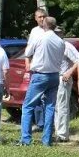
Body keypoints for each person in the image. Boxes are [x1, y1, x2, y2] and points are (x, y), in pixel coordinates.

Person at [19, 14, 67, 146]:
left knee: (28, 106)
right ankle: (46, 140)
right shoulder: (60, 41)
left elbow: (28, 52)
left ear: (45, 25)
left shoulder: (40, 37)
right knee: (50, 107)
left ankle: (26, 139)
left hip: (40, 74)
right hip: (54, 75)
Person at [53, 22, 79, 143]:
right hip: (53, 77)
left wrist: (70, 71)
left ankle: (63, 134)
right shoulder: (52, 45)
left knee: (62, 106)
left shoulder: (67, 46)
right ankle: (56, 131)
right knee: (54, 106)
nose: (56, 35)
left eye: (58, 33)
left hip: (63, 78)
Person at [26, 7, 49, 130]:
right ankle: (40, 123)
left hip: (49, 68)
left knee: (48, 99)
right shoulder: (34, 31)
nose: (42, 19)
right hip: (37, 68)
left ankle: (48, 124)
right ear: (35, 18)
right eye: (39, 17)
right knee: (36, 97)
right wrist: (27, 62)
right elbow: (29, 50)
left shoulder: (50, 31)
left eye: (43, 16)